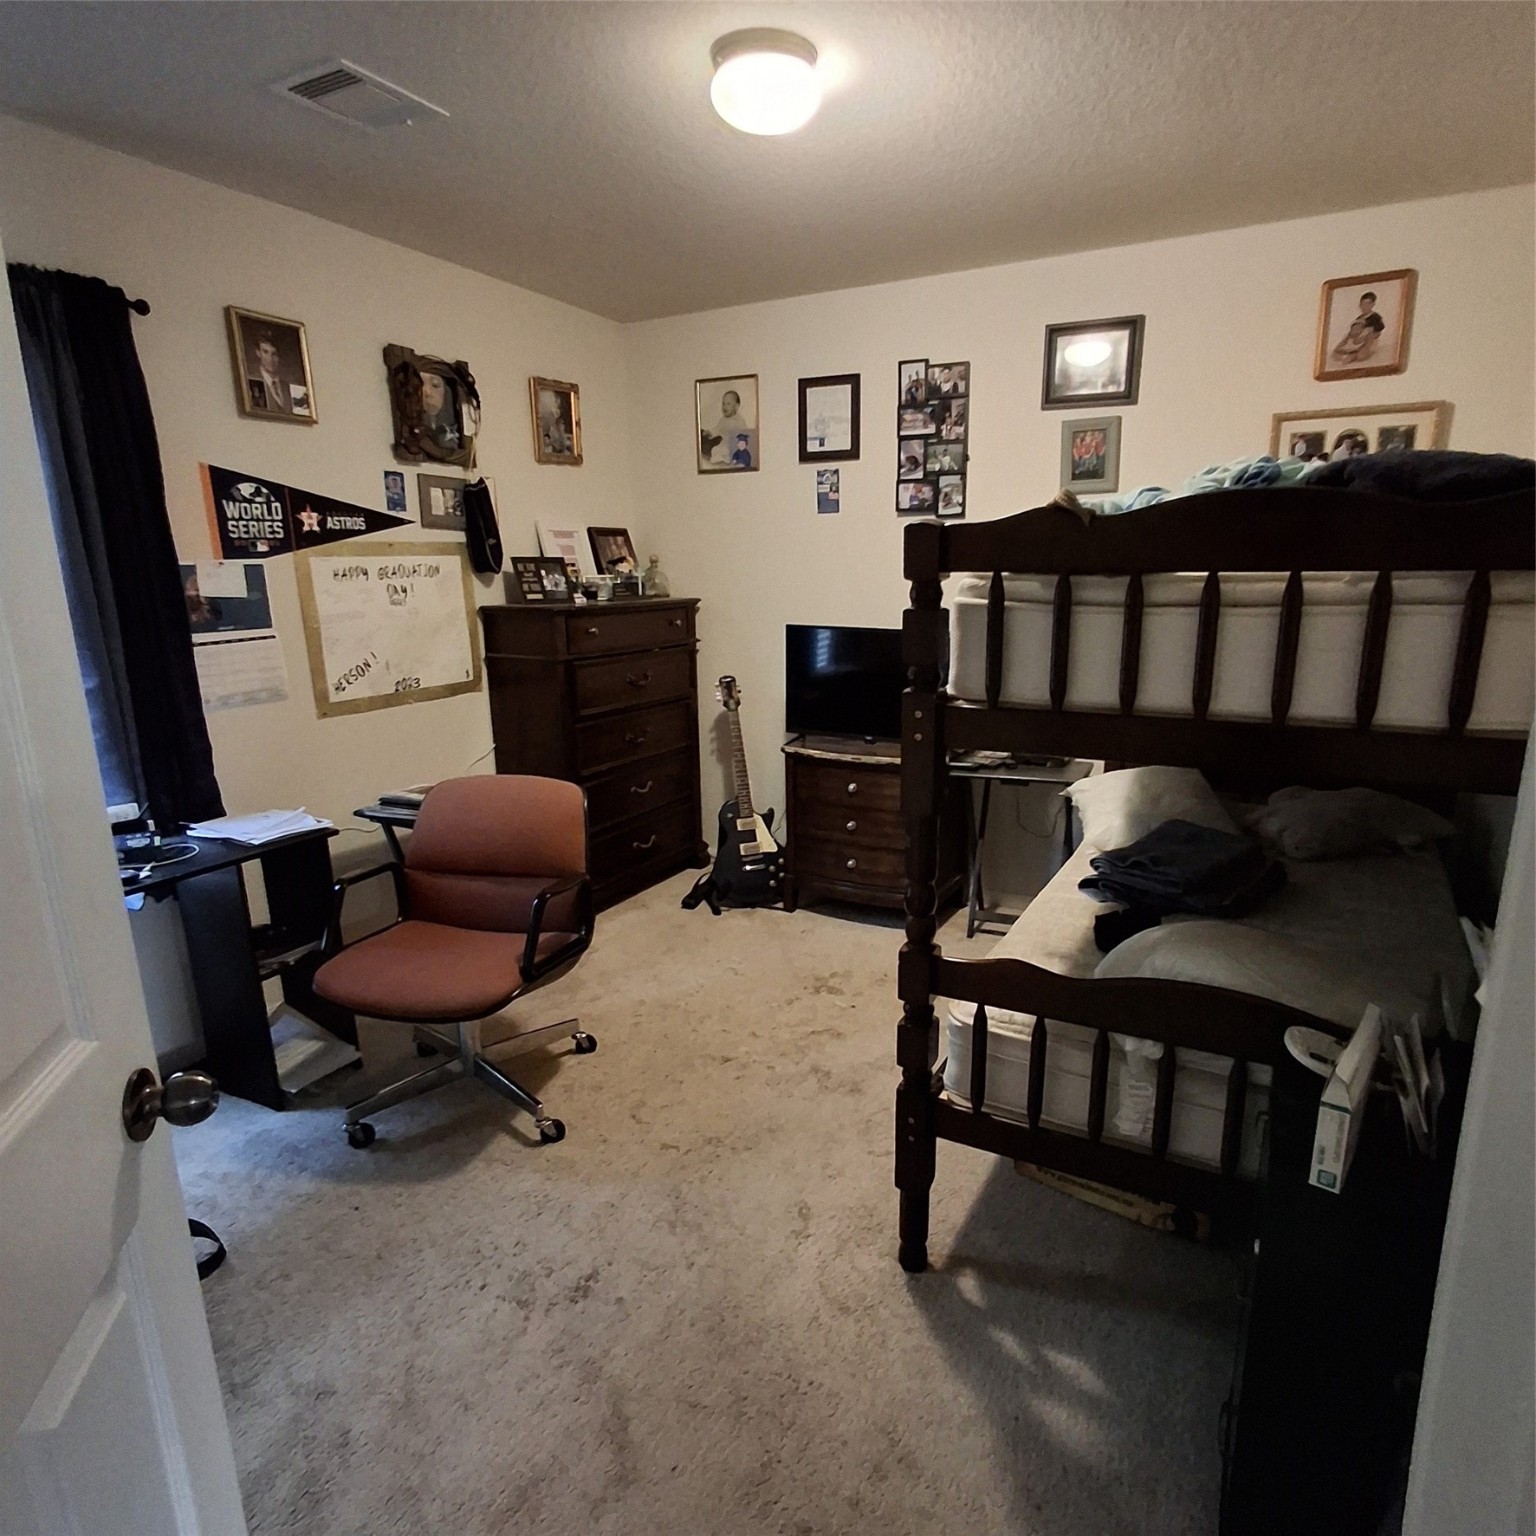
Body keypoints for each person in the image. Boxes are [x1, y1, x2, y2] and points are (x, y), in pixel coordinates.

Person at [247, 328, 302, 415]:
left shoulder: (290, 386)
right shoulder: (249, 384)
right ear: (258, 353)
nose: (270, 359)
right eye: (265, 352)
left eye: (274, 354)